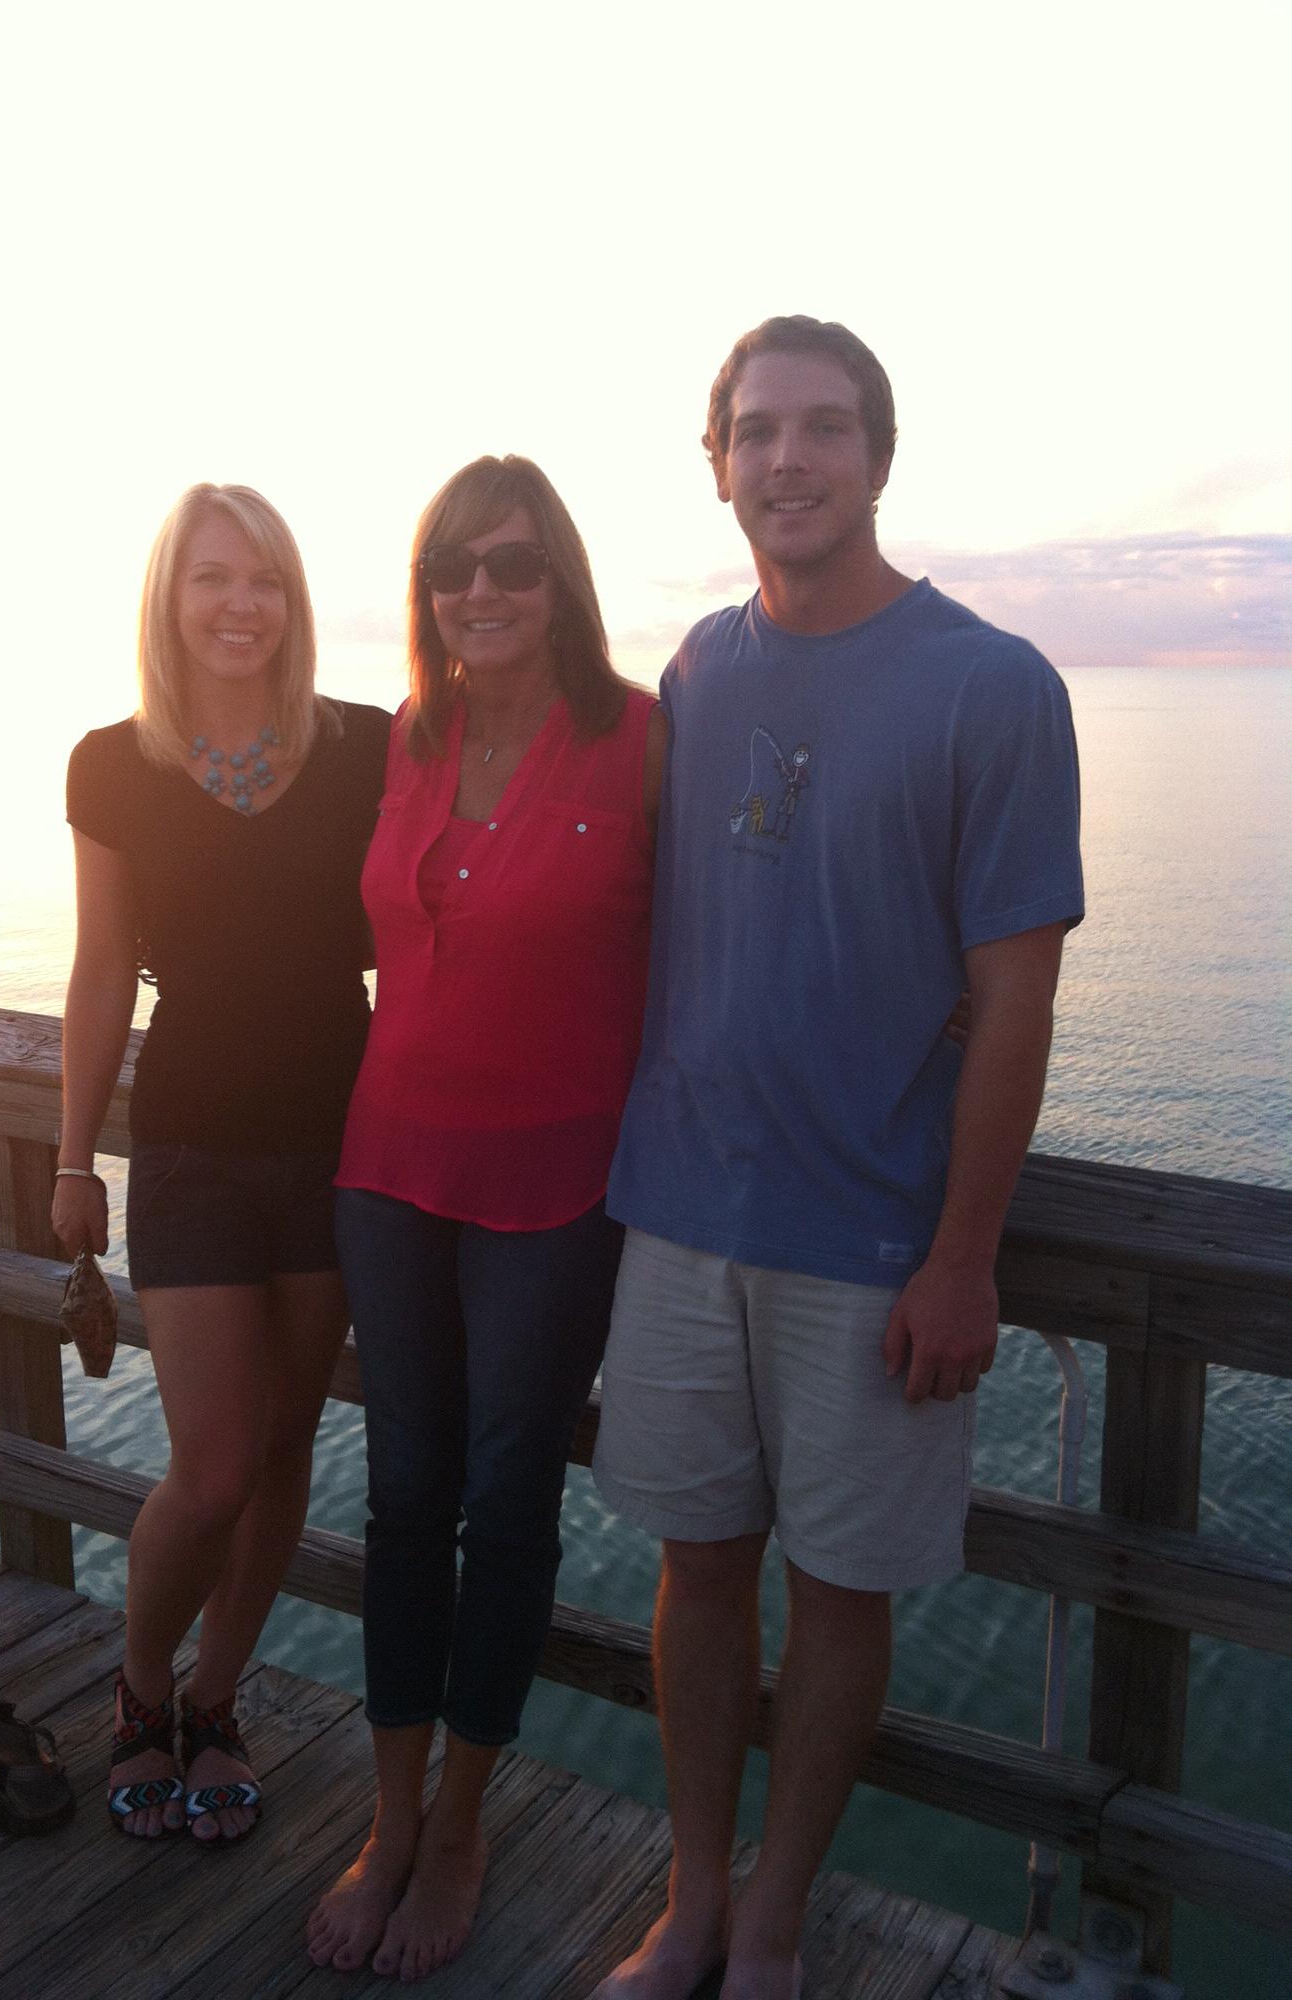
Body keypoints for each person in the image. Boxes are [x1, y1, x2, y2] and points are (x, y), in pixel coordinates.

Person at [591, 317, 1085, 2000]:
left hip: (873, 1242)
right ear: (715, 462)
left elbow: (1014, 1003)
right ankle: (691, 1899)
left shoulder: (992, 685)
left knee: (842, 1592)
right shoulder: (693, 674)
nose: (785, 461)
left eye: (821, 429)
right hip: (677, 1216)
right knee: (695, 1570)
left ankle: (780, 1917)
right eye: (754, 432)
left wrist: (964, 1253)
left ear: (879, 456)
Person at [306, 455, 664, 1981]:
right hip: (388, 1166)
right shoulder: (410, 736)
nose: (481, 591)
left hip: (555, 1188)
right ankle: (390, 1821)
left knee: (508, 1498)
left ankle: (462, 1820)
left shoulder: (642, 738)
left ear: (560, 579)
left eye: (512, 563)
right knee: (401, 1497)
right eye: (454, 565)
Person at [53, 483, 388, 1845]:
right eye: (211, 578)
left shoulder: (366, 747)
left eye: (263, 579)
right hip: (187, 1148)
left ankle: (216, 1698)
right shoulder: (111, 764)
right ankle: (140, 1692)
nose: (239, 603)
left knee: (289, 1446)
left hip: (335, 1144)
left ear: (294, 602)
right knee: (211, 1465)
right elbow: (94, 971)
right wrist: (72, 1155)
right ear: (169, 599)